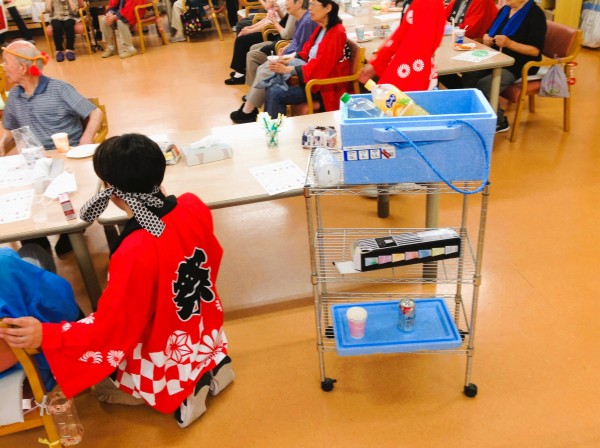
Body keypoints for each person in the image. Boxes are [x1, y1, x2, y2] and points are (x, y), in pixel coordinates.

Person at [0, 134, 235, 428]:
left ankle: (182, 391)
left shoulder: (136, 248)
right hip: (201, 323)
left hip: (165, 344)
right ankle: (212, 364)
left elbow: (112, 325)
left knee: (103, 387)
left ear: (109, 188)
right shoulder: (193, 205)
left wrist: (47, 334)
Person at [439, 0, 546, 133]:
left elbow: (535, 51)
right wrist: (486, 37)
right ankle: (473, 112)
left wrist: (510, 44)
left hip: (518, 64)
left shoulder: (535, 15)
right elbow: (490, 32)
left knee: (486, 85)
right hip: (495, 57)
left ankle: (500, 121)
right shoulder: (505, 10)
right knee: (470, 74)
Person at [0, 244, 81, 392]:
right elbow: (66, 309)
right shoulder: (3, 261)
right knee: (32, 251)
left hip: (10, 382)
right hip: (30, 375)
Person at [0, 42, 103, 153]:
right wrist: (2, 143)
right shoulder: (14, 95)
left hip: (67, 153)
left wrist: (86, 139)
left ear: (22, 68)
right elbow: (10, 128)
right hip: (35, 158)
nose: (3, 67)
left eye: (6, 63)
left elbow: (96, 112)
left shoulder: (59, 89)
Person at [230, 0, 316, 123]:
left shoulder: (307, 21)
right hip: (293, 54)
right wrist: (287, 48)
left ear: (299, 3)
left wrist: (289, 56)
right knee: (263, 67)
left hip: (300, 60)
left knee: (267, 69)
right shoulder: (302, 19)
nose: (286, 3)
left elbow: (304, 50)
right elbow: (299, 42)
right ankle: (250, 104)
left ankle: (248, 109)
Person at [263, 0, 350, 119]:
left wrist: (288, 69)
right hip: (312, 79)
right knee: (270, 86)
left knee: (275, 93)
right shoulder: (321, 28)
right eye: (310, 4)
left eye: (313, 4)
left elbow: (320, 68)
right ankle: (270, 127)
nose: (309, 8)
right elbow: (305, 51)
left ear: (328, 8)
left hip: (325, 87)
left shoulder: (336, 33)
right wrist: (287, 61)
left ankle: (275, 128)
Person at [359, 0, 446, 91]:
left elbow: (419, 46)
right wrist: (377, 62)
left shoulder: (428, 3)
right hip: (409, 68)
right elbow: (401, 33)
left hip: (414, 73)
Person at [224, 0, 287, 85]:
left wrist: (251, 30)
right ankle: (241, 69)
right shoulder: (278, 2)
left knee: (241, 40)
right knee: (242, 31)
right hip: (267, 28)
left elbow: (272, 23)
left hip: (271, 32)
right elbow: (267, 19)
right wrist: (250, 28)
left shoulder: (283, 3)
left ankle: (240, 73)